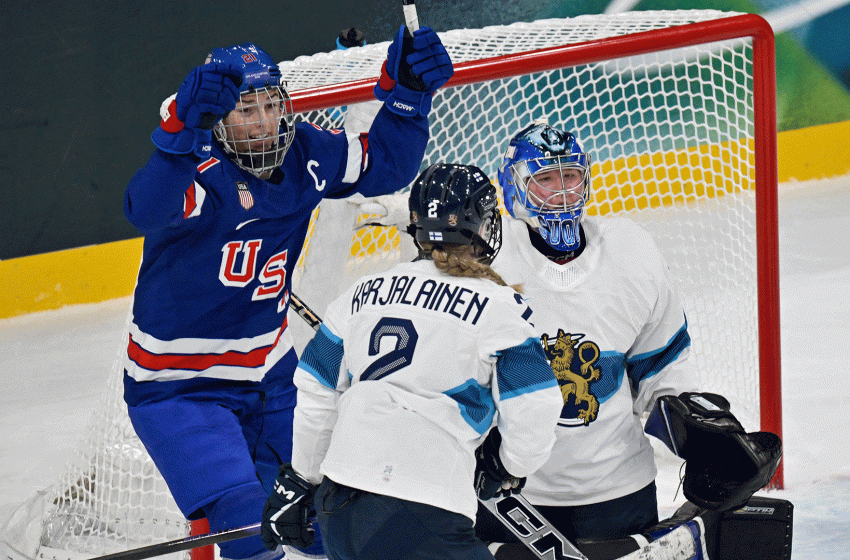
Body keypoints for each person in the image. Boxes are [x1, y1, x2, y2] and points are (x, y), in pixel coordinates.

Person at [122, 28, 453, 560]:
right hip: (180, 386)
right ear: (219, 118)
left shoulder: (306, 153)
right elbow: (146, 207)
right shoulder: (198, 166)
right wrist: (176, 134)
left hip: (271, 371)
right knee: (246, 530)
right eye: (244, 111)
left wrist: (410, 95)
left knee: (339, 520)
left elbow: (386, 165)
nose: (262, 122)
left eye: (270, 105)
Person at [473, 121, 784, 560]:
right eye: (544, 179)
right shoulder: (486, 264)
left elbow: (661, 371)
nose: (561, 192)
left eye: (570, 176)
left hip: (617, 489)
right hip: (512, 496)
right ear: (514, 186)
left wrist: (694, 436)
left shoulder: (630, 251)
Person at [259, 162, 565, 560]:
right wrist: (507, 465)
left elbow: (316, 391)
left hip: (339, 507)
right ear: (484, 226)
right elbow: (536, 406)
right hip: (424, 512)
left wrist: (304, 477)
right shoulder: (500, 308)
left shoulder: (359, 292)